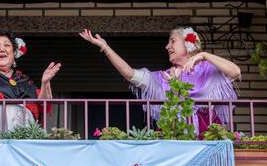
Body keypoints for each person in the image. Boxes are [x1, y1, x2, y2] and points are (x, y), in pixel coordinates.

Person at [79, 27, 240, 135]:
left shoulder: (207, 69)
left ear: (189, 44)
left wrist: (204, 55)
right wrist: (105, 47)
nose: (167, 46)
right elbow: (129, 74)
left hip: (207, 134)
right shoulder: (161, 78)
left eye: (172, 41)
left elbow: (235, 72)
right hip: (172, 136)